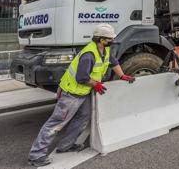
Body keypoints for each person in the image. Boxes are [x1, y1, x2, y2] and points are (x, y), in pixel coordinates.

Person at [28, 23, 135, 167]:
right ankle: (36, 156)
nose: (113, 41)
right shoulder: (89, 54)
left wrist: (122, 75)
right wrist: (96, 84)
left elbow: (113, 62)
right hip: (71, 93)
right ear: (102, 40)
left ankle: (66, 146)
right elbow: (81, 78)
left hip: (83, 91)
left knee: (83, 117)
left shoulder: (105, 50)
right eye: (110, 38)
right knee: (56, 123)